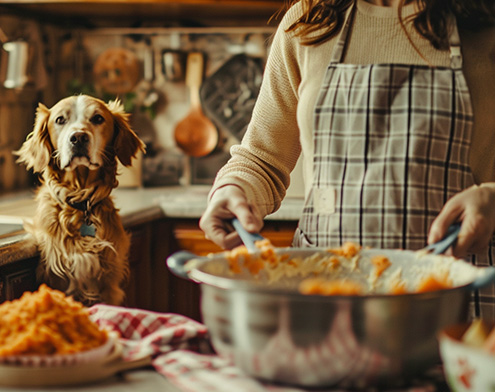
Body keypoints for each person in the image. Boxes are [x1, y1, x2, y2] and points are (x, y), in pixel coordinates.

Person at [199, 0, 495, 319]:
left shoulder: (485, 23)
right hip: (326, 298)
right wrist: (234, 189)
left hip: (458, 297)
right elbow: (261, 159)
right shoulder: (307, 24)